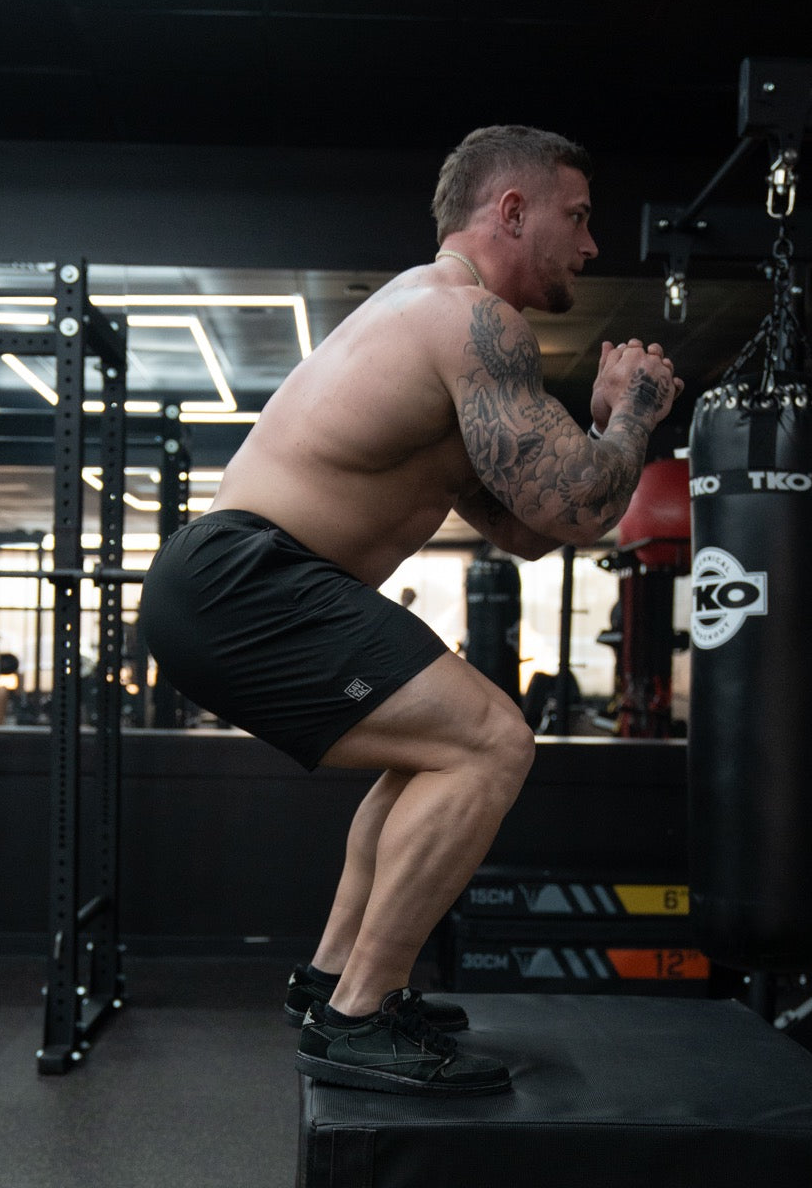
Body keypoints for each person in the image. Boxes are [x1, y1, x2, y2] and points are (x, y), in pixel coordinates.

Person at [138, 124, 683, 1097]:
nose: (590, 244)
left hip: (241, 580)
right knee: (492, 742)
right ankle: (356, 1018)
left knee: (434, 749)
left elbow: (528, 529)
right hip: (245, 577)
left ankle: (333, 981)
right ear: (510, 210)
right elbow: (578, 505)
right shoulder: (467, 320)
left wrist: (604, 433)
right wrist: (634, 414)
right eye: (576, 217)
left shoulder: (438, 327)